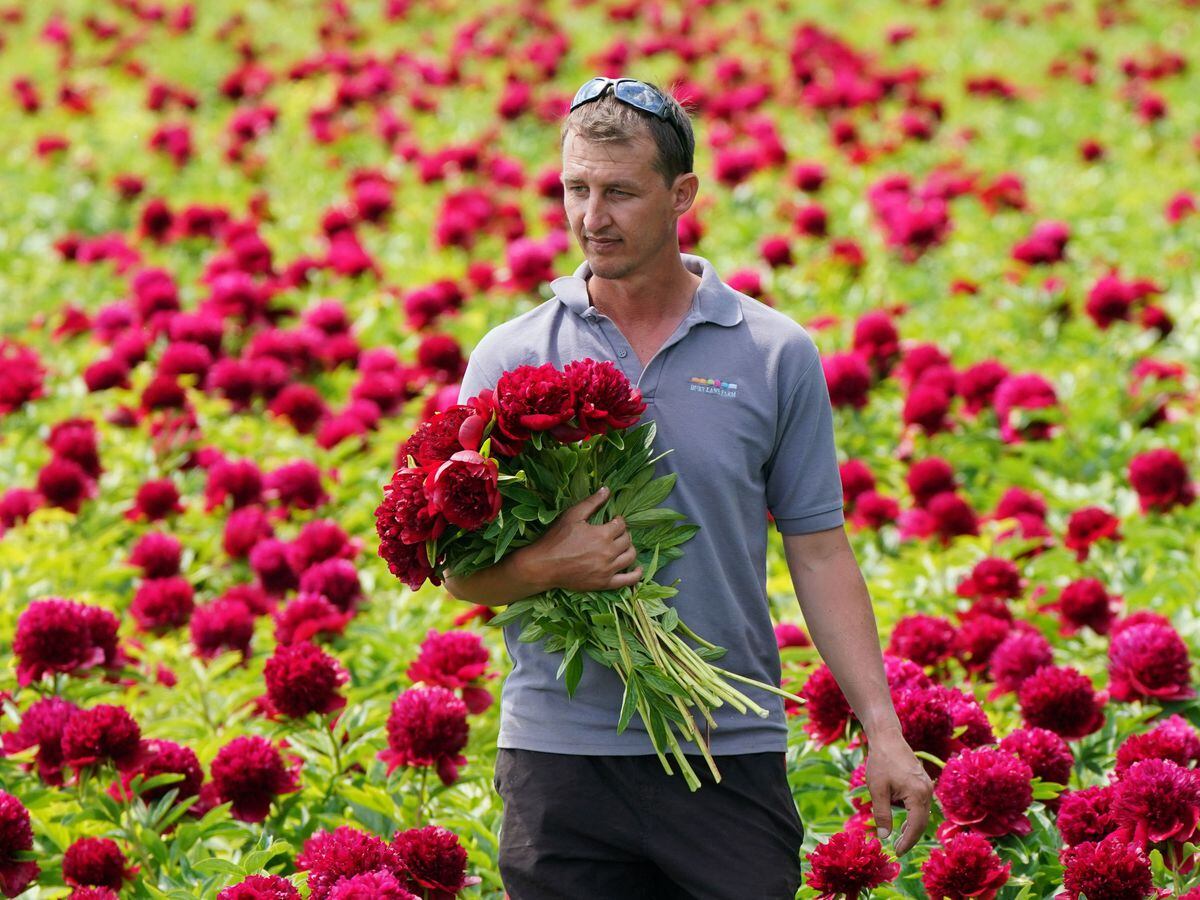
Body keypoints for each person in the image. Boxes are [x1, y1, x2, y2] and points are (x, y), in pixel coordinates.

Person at [444, 76, 933, 900]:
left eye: (620, 192)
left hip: (727, 751)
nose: (591, 217)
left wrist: (883, 732)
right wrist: (548, 566)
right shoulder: (511, 357)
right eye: (575, 189)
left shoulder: (775, 354)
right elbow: (458, 569)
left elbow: (818, 551)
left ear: (682, 196)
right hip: (561, 762)